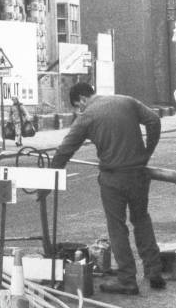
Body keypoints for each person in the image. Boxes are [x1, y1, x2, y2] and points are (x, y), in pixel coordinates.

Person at [49, 82, 164, 295]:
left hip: (113, 178)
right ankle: (154, 270)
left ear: (82, 99)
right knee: (141, 219)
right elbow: (154, 120)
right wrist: (147, 152)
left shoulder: (87, 116)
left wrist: (48, 180)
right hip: (139, 174)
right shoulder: (126, 100)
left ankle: (128, 279)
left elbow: (65, 150)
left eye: (77, 106)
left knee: (117, 226)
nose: (79, 111)